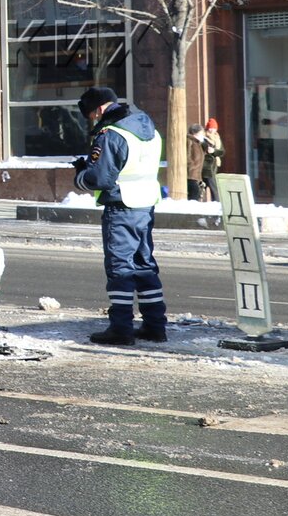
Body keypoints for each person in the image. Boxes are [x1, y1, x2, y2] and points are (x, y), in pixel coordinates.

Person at [73, 86, 165, 345]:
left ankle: (121, 329)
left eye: (92, 115)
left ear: (99, 109)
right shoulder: (148, 129)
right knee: (144, 264)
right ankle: (155, 326)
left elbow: (100, 178)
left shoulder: (111, 134)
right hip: (146, 205)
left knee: (120, 268)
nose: (94, 120)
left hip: (121, 206)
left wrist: (81, 174)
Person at [201, 117, 224, 201]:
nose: (212, 130)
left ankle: (215, 202)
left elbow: (222, 152)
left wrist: (214, 151)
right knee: (212, 186)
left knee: (211, 186)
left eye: (214, 128)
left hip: (214, 166)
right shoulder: (203, 138)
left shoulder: (217, 139)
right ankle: (216, 202)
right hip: (206, 166)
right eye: (210, 128)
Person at [186, 123, 207, 202]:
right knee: (194, 196)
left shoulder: (198, 143)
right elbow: (187, 156)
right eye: (201, 133)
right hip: (191, 174)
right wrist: (191, 165)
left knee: (197, 196)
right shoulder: (190, 141)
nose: (203, 135)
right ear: (195, 133)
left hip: (197, 174)